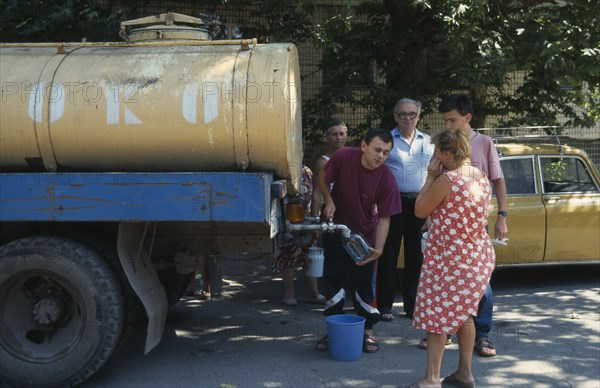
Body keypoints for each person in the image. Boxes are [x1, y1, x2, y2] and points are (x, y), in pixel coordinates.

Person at [407, 129, 496, 388]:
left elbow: (419, 209)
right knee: (465, 315)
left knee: (437, 318)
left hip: (449, 260)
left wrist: (430, 177)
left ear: (448, 154)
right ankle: (464, 374)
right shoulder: (481, 177)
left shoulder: (448, 180)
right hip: (475, 257)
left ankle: (431, 379)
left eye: (437, 151)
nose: (434, 156)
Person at [315, 128, 401, 353]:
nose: (380, 156)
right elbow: (323, 177)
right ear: (363, 145)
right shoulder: (343, 156)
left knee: (364, 285)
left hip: (364, 239)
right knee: (334, 283)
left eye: (386, 152)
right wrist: (328, 199)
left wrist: (379, 249)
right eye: (377, 150)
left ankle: (368, 334)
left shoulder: (386, 178)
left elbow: (384, 218)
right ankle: (332, 330)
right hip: (335, 231)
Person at [438, 93, 507, 358]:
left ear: (468, 118)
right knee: (443, 279)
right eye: (445, 120)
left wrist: (502, 215)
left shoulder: (484, 143)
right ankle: (441, 331)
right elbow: (436, 183)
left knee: (480, 282)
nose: (448, 125)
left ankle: (483, 335)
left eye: (452, 120)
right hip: (445, 228)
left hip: (474, 228)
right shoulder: (445, 142)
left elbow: (498, 180)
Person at [377, 98, 434, 322]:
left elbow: (436, 173)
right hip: (393, 202)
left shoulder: (429, 142)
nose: (407, 118)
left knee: (416, 255)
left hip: (420, 203)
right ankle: (384, 306)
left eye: (412, 114)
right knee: (388, 254)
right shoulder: (386, 140)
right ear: (395, 117)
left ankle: (412, 307)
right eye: (403, 114)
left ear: (419, 116)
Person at [273, 165, 325, 306]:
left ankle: (315, 294)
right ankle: (289, 294)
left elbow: (315, 194)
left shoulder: (307, 171)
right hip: (286, 219)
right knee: (288, 256)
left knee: (310, 256)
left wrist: (315, 218)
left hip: (307, 219)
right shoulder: (279, 170)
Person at [311, 119, 348, 217]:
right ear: (327, 137)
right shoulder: (323, 162)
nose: (339, 137)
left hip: (351, 211)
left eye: (341, 134)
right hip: (331, 212)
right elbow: (317, 192)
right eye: (334, 134)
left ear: (346, 135)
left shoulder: (354, 158)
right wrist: (315, 219)